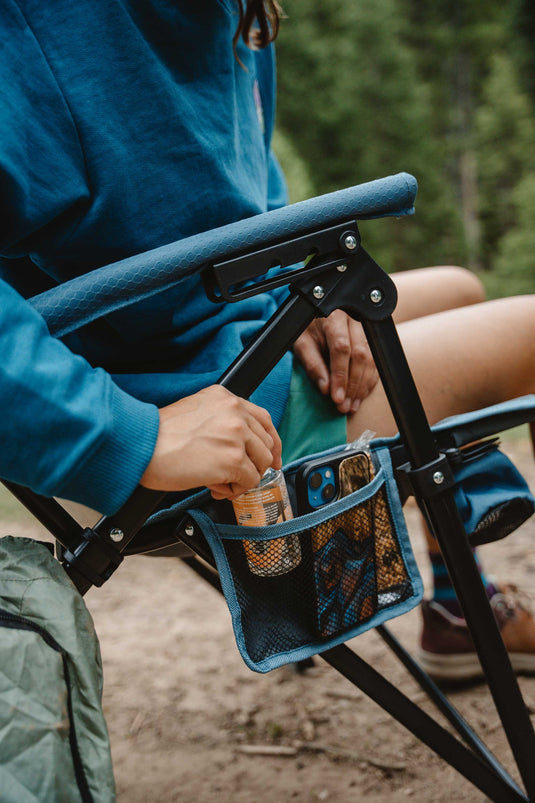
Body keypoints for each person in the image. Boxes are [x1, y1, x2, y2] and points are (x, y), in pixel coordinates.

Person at [1, 0, 534, 681]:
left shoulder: (236, 11)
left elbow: (242, 194)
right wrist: (128, 434)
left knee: (458, 289)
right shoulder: (31, 31)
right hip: (178, 407)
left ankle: (461, 611)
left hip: (223, 340)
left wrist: (299, 284)